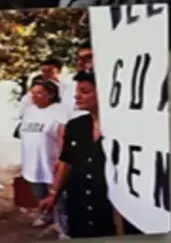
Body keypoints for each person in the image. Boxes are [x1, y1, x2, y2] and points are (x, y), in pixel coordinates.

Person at [37, 72, 120, 238]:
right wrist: (54, 194)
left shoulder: (121, 128)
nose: (77, 96)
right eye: (77, 91)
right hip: (78, 202)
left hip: (109, 206)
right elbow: (66, 162)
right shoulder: (75, 126)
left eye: (85, 91)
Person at [18, 79, 68, 232]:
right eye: (32, 93)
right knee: (39, 195)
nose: (34, 97)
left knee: (59, 200)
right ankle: (46, 215)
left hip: (51, 164)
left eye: (39, 93)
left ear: (51, 94)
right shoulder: (29, 111)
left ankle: (65, 230)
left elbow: (63, 140)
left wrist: (60, 163)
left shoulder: (60, 111)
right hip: (32, 164)